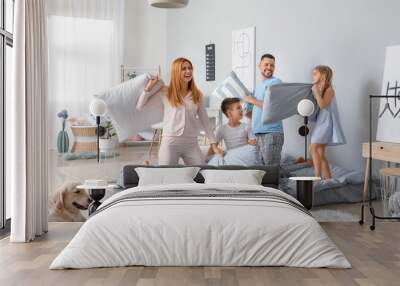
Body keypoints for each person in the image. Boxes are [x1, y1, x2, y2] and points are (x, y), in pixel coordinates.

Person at [137, 57, 222, 165]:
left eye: (190, 68)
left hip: (191, 143)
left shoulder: (197, 94)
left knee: (201, 173)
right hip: (170, 142)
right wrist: (147, 89)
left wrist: (213, 144)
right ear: (176, 72)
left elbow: (205, 121)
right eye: (184, 69)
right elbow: (141, 106)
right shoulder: (165, 92)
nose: (188, 71)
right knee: (166, 175)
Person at [244, 53, 284, 166]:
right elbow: (254, 114)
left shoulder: (276, 82)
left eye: (272, 65)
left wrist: (251, 100)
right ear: (259, 66)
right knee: (261, 172)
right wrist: (246, 108)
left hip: (271, 133)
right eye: (266, 64)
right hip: (258, 133)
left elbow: (271, 106)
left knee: (272, 171)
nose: (269, 68)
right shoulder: (258, 87)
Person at [309, 65, 346, 179]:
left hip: (327, 123)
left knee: (313, 147)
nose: (313, 75)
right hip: (322, 121)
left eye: (315, 73)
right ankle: (328, 178)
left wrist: (315, 92)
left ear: (323, 75)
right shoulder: (320, 89)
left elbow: (322, 104)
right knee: (320, 152)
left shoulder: (329, 89)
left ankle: (317, 176)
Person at [208, 97, 259, 166]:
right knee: (217, 157)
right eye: (238, 108)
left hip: (243, 156)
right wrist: (217, 151)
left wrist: (252, 142)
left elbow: (253, 143)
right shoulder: (222, 129)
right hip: (231, 156)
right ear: (229, 113)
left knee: (254, 148)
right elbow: (212, 149)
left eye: (241, 107)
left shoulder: (246, 126)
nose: (241, 110)